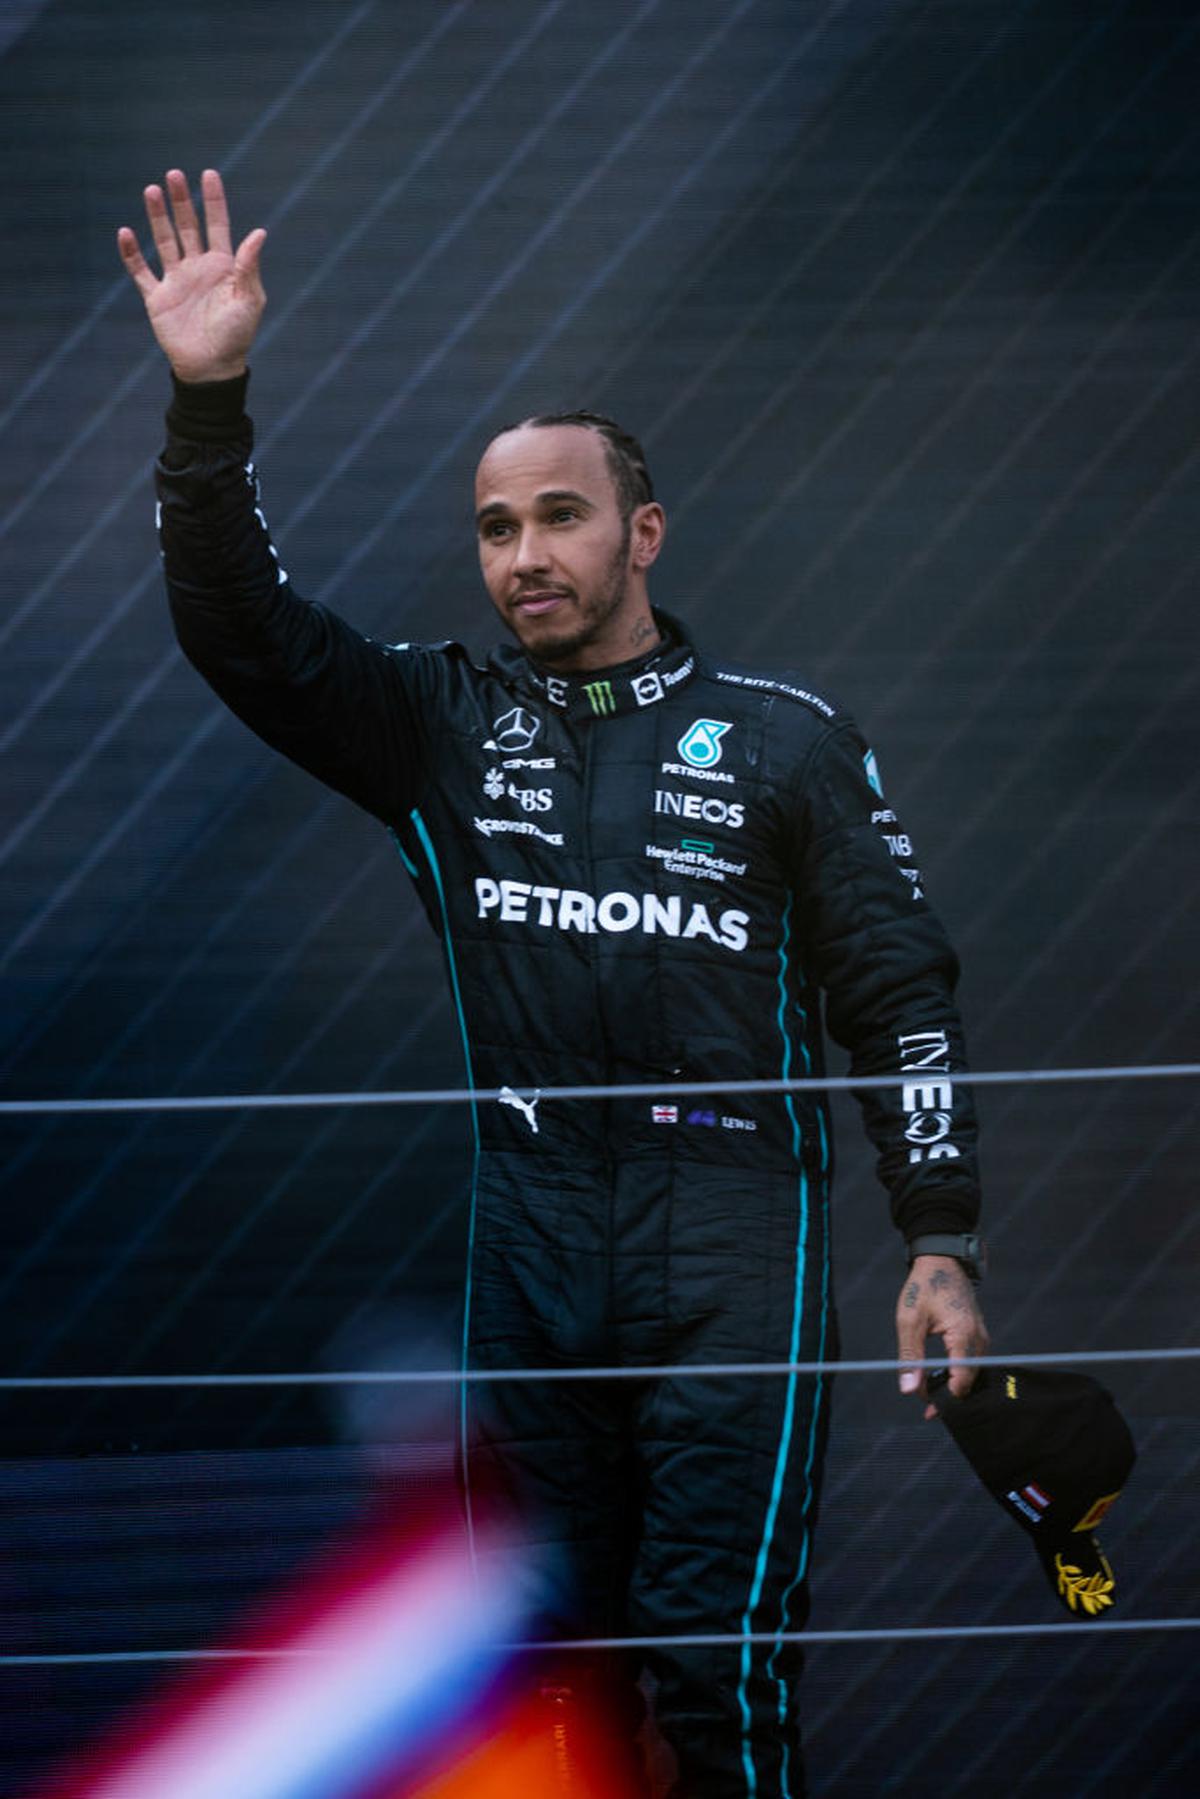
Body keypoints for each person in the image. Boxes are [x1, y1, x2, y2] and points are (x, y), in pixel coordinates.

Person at [118, 169, 990, 1798]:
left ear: (642, 533)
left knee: (719, 1683)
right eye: (497, 526)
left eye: (560, 516)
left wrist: (940, 1233)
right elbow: (236, 629)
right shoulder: (438, 725)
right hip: (527, 1237)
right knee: (560, 1692)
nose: (524, 553)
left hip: (734, 1236)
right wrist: (207, 398)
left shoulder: (790, 741)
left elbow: (900, 987)